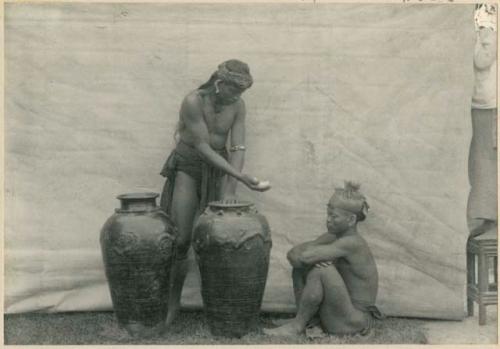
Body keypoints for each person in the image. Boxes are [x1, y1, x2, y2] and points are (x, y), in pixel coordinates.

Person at [159, 59, 271, 326]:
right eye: (235, 90)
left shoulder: (238, 105)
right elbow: (202, 146)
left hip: (222, 171)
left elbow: (238, 148)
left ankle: (221, 306)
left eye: (242, 92)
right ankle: (172, 304)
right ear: (219, 84)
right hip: (189, 165)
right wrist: (240, 177)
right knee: (182, 239)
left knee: (221, 238)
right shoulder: (193, 101)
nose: (238, 97)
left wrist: (231, 187)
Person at [264, 182, 383, 337]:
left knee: (322, 270)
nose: (328, 220)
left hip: (355, 320)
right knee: (302, 267)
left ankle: (297, 325)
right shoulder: (333, 236)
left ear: (351, 220)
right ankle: (308, 320)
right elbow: (293, 254)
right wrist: (309, 259)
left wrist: (311, 259)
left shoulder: (352, 242)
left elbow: (305, 256)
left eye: (334, 216)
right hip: (341, 313)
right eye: (327, 214)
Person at [468, 4, 497, 237]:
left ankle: (492, 216)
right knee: (480, 159)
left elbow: (482, 59)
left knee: (486, 158)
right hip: (481, 101)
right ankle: (488, 214)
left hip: (489, 102)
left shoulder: (488, 27)